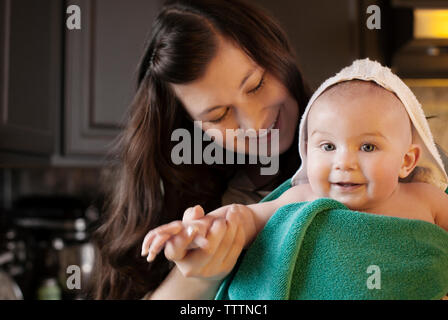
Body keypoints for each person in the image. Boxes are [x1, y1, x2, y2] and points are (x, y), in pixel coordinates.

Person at [141, 60, 448, 292]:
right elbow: (241, 218)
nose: (343, 162)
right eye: (327, 146)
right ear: (308, 151)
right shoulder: (302, 199)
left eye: (368, 146)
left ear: (406, 161)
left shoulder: (427, 199)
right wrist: (196, 230)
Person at [91, 0, 310, 299]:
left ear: (279, 54)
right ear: (192, 127)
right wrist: (197, 280)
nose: (255, 124)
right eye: (218, 115)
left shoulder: (360, 128)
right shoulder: (186, 205)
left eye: (256, 85)